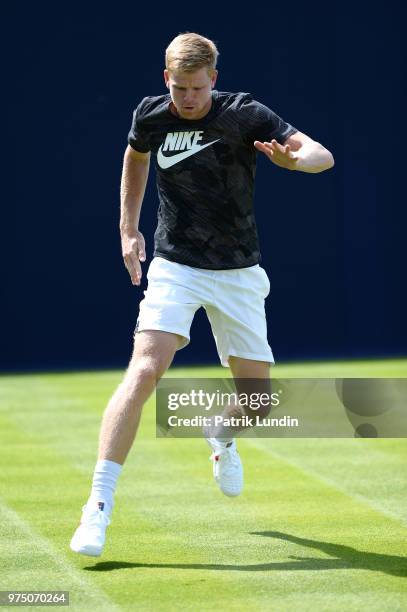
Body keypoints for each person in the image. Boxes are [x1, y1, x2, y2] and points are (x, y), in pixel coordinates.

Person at [70, 32, 334, 557]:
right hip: (176, 264)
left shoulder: (245, 114)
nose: (187, 97)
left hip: (238, 269)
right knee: (145, 368)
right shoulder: (152, 114)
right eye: (179, 87)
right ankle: (97, 508)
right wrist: (128, 227)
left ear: (214, 78)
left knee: (256, 403)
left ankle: (220, 434)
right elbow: (135, 156)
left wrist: (294, 162)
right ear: (166, 78)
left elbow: (322, 155)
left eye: (197, 87)